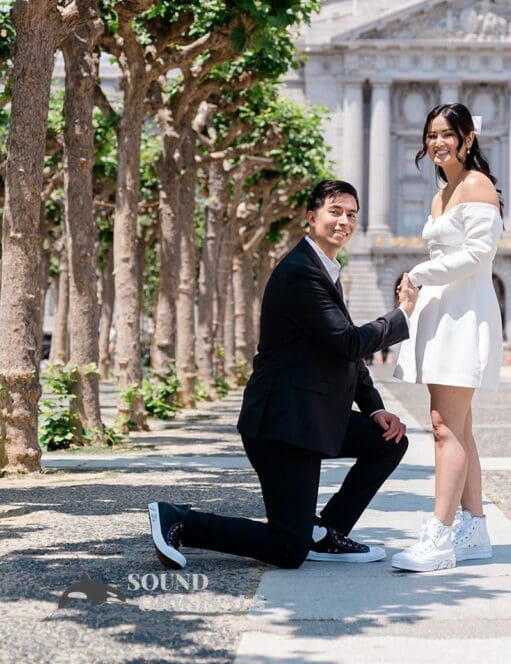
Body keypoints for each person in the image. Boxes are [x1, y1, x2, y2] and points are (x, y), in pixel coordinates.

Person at [148, 179, 418, 570]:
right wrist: (403, 315)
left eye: (352, 214)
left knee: (388, 441)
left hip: (311, 418)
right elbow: (349, 343)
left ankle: (324, 533)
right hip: (282, 426)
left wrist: (375, 409)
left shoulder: (324, 269)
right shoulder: (300, 274)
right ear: (312, 218)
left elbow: (344, 358)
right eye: (335, 212)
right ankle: (181, 521)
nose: (345, 221)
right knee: (287, 550)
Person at [392, 104, 504, 572]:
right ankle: (474, 528)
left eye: (446, 135)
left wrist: (417, 271)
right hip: (444, 312)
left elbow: (479, 253)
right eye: (431, 135)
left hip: (464, 314)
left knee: (443, 427)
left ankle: (439, 536)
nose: (437, 143)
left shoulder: (477, 186)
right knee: (459, 428)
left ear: (468, 139)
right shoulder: (442, 192)